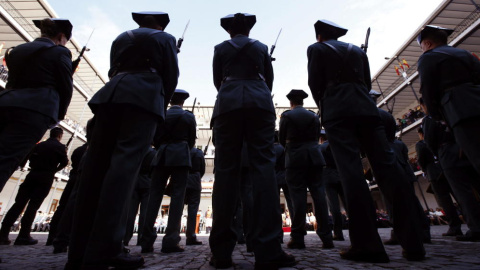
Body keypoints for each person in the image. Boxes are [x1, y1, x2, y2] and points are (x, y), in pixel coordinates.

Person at [67, 11, 178, 270]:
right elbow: (170, 77)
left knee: (94, 171)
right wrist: (159, 105)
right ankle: (107, 247)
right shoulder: (165, 39)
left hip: (111, 96)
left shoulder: (121, 37)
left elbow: (112, 70)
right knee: (123, 172)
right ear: (160, 24)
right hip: (144, 98)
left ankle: (78, 251)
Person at [307, 19, 426, 262]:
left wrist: (327, 105)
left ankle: (366, 244)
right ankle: (413, 242)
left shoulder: (316, 49)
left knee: (351, 174)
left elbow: (315, 84)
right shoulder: (357, 51)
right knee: (389, 170)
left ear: (319, 35)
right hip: (366, 109)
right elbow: (366, 82)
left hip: (338, 111)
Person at [209, 13, 295, 269]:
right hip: (258, 101)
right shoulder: (261, 47)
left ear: (229, 31)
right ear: (249, 29)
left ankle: (222, 252)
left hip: (228, 103)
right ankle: (268, 249)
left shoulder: (219, 48)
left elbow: (217, 81)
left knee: (225, 174)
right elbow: (269, 80)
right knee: (264, 172)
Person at [0, 18, 73, 191]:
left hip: (7, 102)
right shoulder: (60, 52)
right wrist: (59, 115)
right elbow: (66, 87)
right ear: (62, 36)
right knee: (6, 160)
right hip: (35, 109)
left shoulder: (17, 50)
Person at [417, 25, 480, 176]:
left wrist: (437, 115)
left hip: (459, 112)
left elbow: (427, 90)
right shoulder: (465, 53)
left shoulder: (428, 57)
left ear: (428, 44)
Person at [141, 89, 196, 254]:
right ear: (183, 102)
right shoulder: (188, 116)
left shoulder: (162, 114)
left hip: (162, 154)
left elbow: (154, 138)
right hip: (180, 154)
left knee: (154, 196)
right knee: (178, 197)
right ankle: (171, 240)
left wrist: (162, 147)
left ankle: (146, 241)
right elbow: (192, 140)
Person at [279, 89, 333, 249]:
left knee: (298, 199)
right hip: (315, 157)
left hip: (295, 159)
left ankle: (298, 237)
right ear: (302, 101)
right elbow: (317, 135)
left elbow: (282, 139)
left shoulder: (287, 116)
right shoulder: (313, 116)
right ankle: (326, 237)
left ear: (291, 102)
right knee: (320, 198)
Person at [421, 98, 480, 241]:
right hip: (464, 149)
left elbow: (429, 141)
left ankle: (476, 228)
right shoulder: (448, 111)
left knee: (463, 193)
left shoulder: (430, 119)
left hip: (447, 153)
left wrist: (438, 154)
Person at [0, 127, 68, 245]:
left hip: (32, 173)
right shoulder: (60, 147)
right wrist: (54, 170)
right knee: (33, 206)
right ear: (60, 136)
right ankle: (24, 235)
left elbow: (26, 158)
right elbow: (65, 162)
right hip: (46, 175)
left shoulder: (39, 145)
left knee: (19, 204)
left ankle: (3, 233)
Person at [416, 127, 462, 236]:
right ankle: (473, 222)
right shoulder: (439, 140)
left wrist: (424, 170)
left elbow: (421, 159)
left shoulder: (421, 144)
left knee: (445, 202)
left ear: (421, 134)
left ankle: (454, 227)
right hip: (446, 168)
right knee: (459, 197)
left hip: (434, 173)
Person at [46, 141, 88, 246]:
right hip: (83, 179)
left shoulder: (78, 150)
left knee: (63, 207)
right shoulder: (91, 150)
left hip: (73, 177)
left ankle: (53, 237)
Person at [123, 146, 156, 247]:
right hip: (147, 181)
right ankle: (141, 238)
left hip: (135, 181)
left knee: (131, 212)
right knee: (144, 213)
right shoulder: (153, 153)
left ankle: (126, 238)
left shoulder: (137, 150)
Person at [319, 130, 345, 241]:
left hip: (328, 176)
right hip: (341, 175)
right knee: (348, 204)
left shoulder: (320, 148)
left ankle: (338, 233)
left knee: (334, 207)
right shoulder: (337, 146)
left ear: (321, 138)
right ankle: (357, 230)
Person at [184, 147, 206, 245]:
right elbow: (202, 169)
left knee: (177, 208)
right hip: (195, 180)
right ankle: (191, 236)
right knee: (193, 210)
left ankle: (173, 235)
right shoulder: (199, 153)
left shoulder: (184, 150)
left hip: (183, 178)